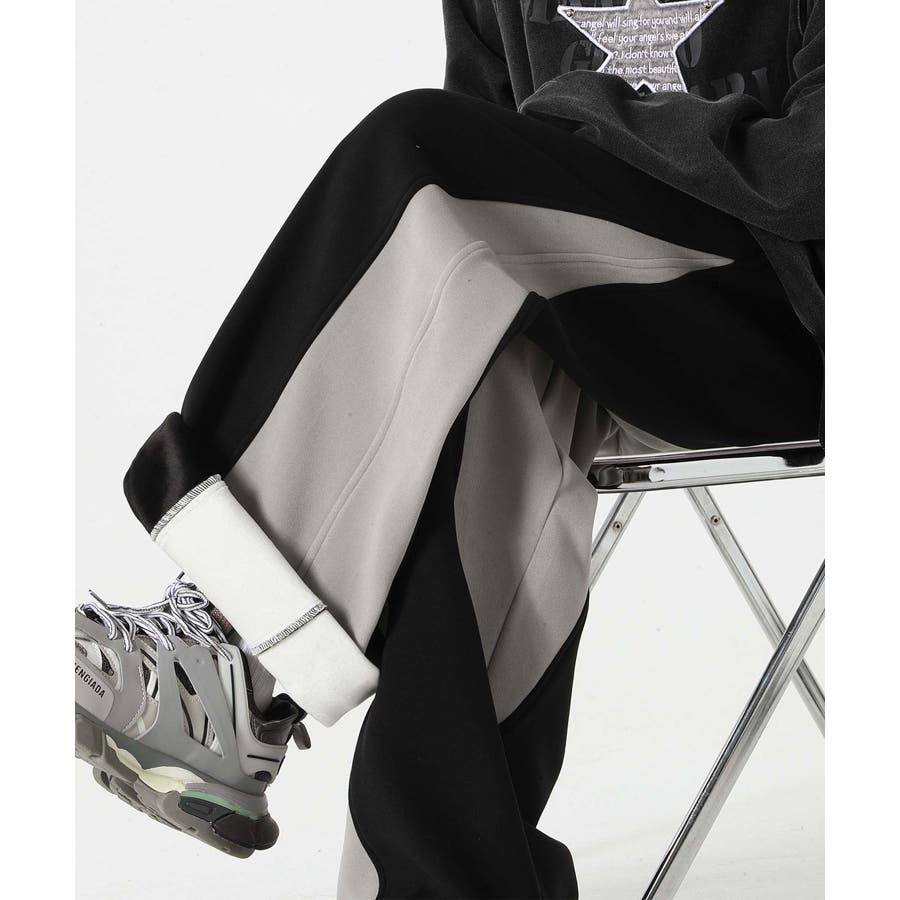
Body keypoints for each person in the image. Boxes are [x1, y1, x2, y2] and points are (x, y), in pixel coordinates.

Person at [74, 1, 824, 896]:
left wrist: (583, 112)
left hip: (798, 323)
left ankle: (228, 653)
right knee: (475, 378)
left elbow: (822, 171)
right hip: (603, 328)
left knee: (417, 149)